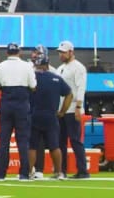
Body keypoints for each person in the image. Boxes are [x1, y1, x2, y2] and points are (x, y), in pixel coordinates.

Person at [0, 43, 36, 181]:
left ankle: (1, 173)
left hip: (6, 101)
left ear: (7, 53)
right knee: (22, 140)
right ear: (19, 52)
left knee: (4, 140)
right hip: (22, 102)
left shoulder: (0, 66)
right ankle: (24, 173)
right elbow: (33, 86)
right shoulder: (27, 66)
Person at [28, 48, 72, 181]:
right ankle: (59, 172)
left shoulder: (32, 78)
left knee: (32, 145)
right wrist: (63, 111)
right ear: (47, 64)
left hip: (34, 115)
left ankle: (29, 172)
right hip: (51, 116)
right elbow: (69, 94)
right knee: (54, 146)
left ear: (36, 64)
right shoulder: (56, 78)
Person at [55, 41, 90, 179]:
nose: (61, 55)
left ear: (71, 52)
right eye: (60, 52)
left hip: (73, 108)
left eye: (63, 52)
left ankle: (82, 170)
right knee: (60, 141)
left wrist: (78, 107)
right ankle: (61, 171)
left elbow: (81, 88)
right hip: (62, 110)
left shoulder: (78, 68)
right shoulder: (60, 68)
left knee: (75, 140)